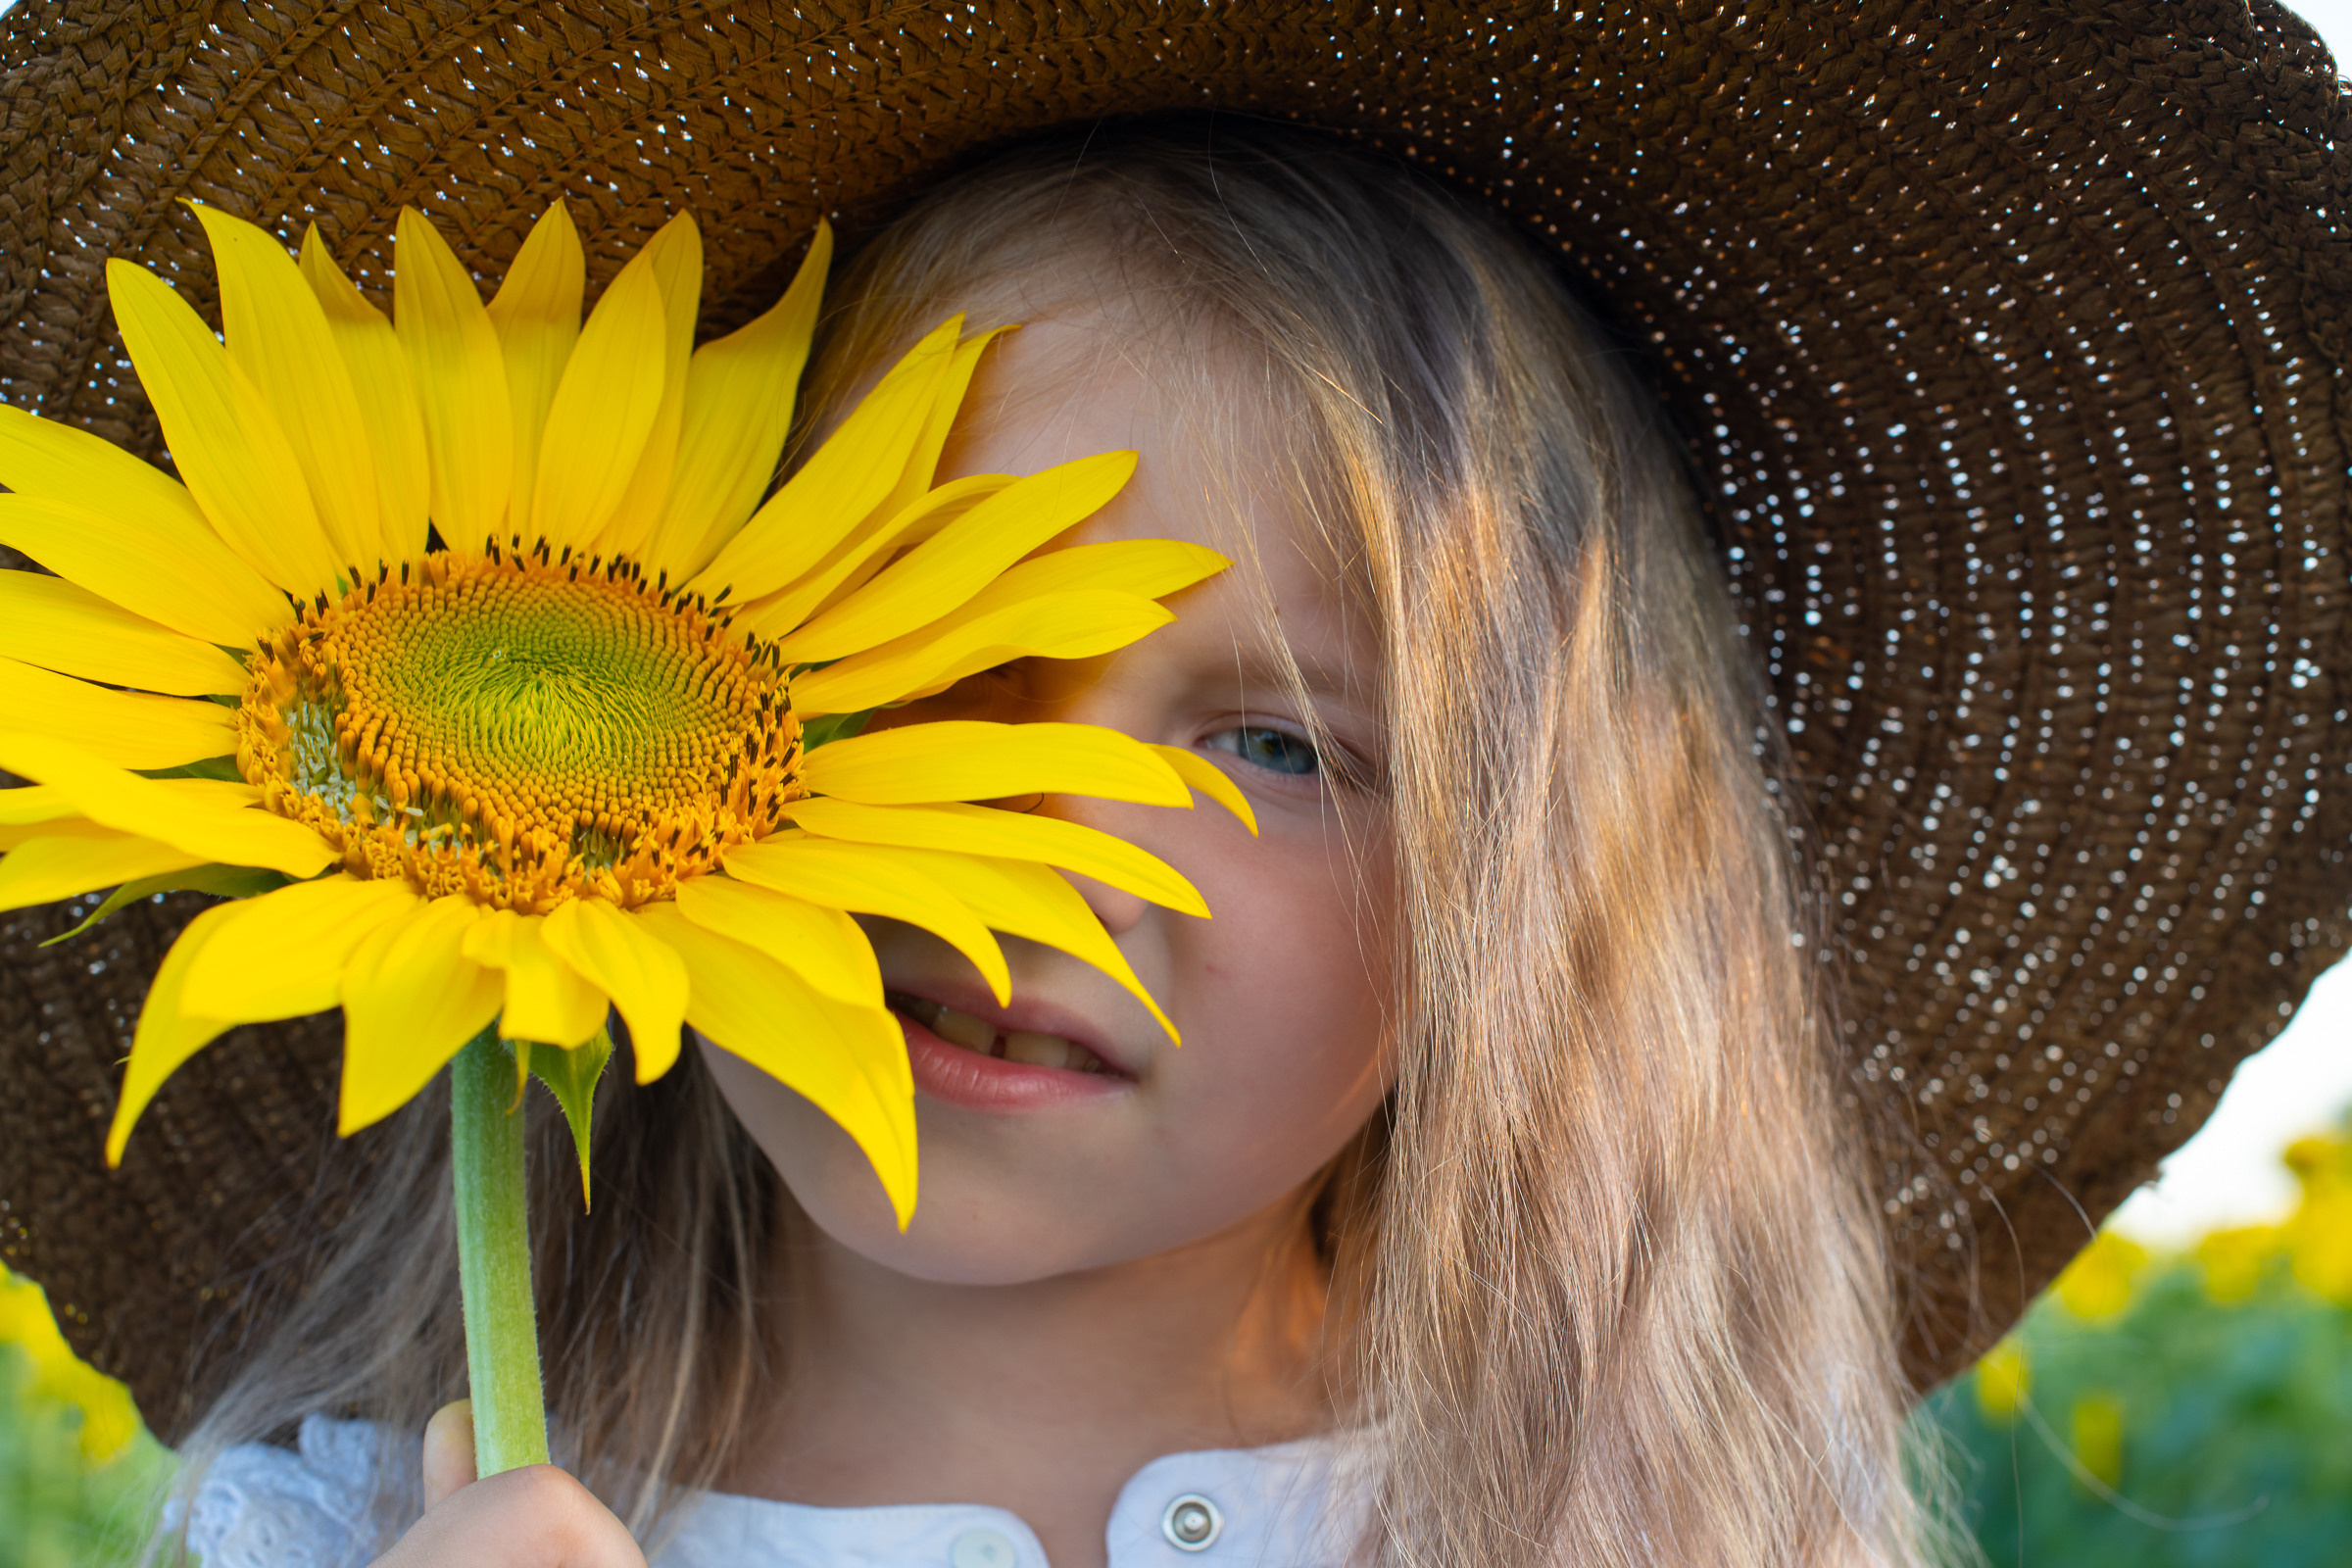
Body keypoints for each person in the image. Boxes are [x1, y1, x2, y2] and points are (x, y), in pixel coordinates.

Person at [1, 6, 2344, 1568]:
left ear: (1541, 894)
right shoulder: (347, 1525)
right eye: (912, 661)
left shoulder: (1670, 1518)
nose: (1053, 842)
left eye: (1277, 743)